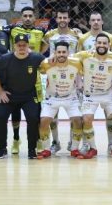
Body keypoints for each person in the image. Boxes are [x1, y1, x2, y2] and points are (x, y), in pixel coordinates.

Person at [0, 34, 45, 159]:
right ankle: (2, 149)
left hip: (29, 96)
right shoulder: (5, 59)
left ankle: (32, 150)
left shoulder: (36, 57)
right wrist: (0, 92)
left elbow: (48, 64)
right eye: (19, 45)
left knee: (33, 118)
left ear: (28, 46)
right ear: (14, 46)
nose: (21, 47)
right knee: (0, 117)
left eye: (24, 45)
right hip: (9, 95)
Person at [75, 33, 112, 158]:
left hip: (109, 94)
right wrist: (78, 80)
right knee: (86, 119)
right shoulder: (84, 55)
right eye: (99, 43)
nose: (101, 45)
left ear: (109, 45)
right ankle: (93, 148)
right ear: (95, 44)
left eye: (104, 43)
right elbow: (67, 59)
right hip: (90, 95)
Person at [41, 9, 80, 154]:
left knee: (74, 113)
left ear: (69, 19)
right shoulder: (50, 34)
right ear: (56, 19)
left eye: (65, 17)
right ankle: (55, 142)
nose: (62, 19)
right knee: (52, 115)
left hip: (72, 74)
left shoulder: (76, 34)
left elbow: (81, 52)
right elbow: (41, 51)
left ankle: (72, 142)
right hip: (53, 74)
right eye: (60, 17)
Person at [9, 7, 46, 154]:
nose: (28, 18)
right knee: (15, 111)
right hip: (16, 76)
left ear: (34, 17)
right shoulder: (13, 30)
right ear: (21, 17)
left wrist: (36, 55)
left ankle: (37, 140)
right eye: (25, 16)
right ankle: (16, 140)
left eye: (30, 16)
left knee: (35, 113)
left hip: (34, 78)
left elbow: (46, 44)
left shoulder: (40, 32)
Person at [38, 41, 83, 159]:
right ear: (55, 53)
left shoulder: (76, 62)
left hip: (70, 97)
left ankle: (74, 149)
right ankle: (46, 149)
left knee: (78, 120)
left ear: (68, 53)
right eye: (59, 52)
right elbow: (38, 69)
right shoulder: (47, 63)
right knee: (44, 121)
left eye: (64, 52)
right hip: (52, 97)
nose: (61, 54)